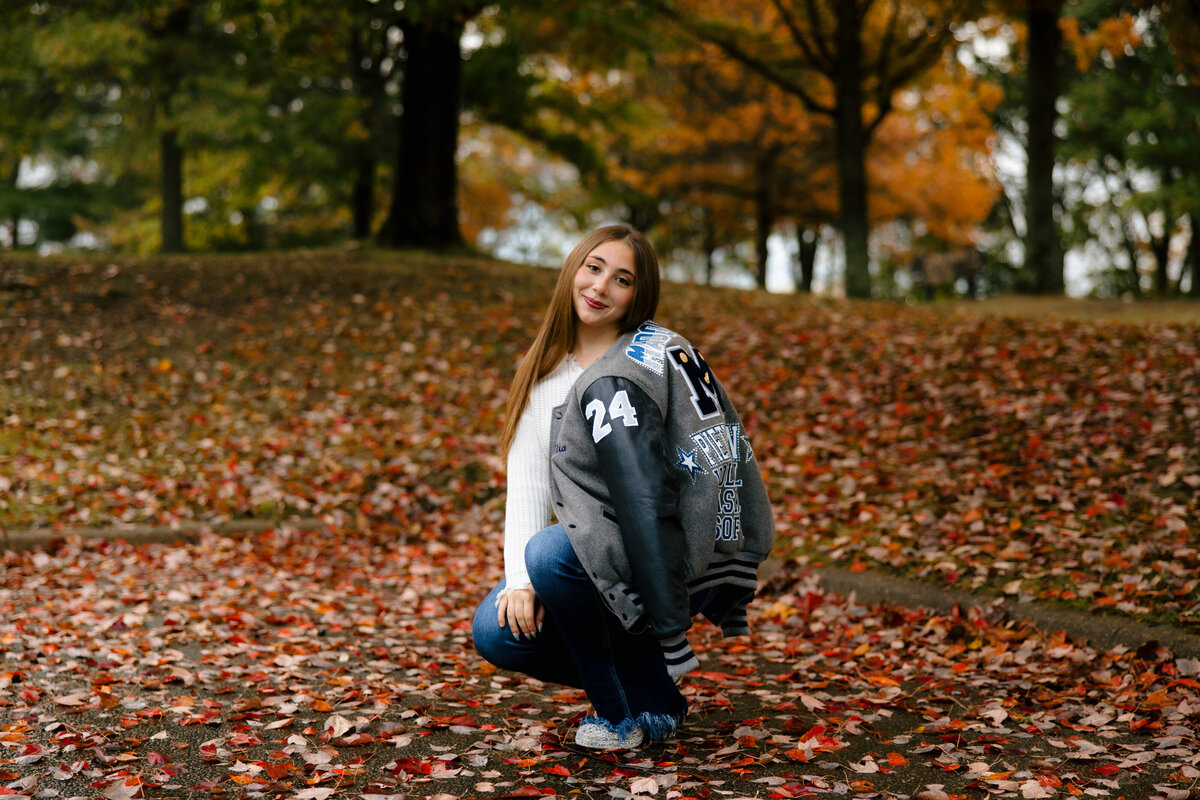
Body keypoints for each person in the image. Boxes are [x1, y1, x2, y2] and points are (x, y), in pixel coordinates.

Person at [472, 225, 775, 750]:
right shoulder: (541, 376)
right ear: (573, 269)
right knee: (496, 629)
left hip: (671, 548)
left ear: (640, 295)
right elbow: (526, 492)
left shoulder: (649, 362)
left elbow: (710, 458)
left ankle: (619, 715)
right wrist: (522, 584)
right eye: (593, 267)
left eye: (622, 279)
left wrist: (711, 551)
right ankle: (652, 688)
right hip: (598, 553)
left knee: (550, 553)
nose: (600, 286)